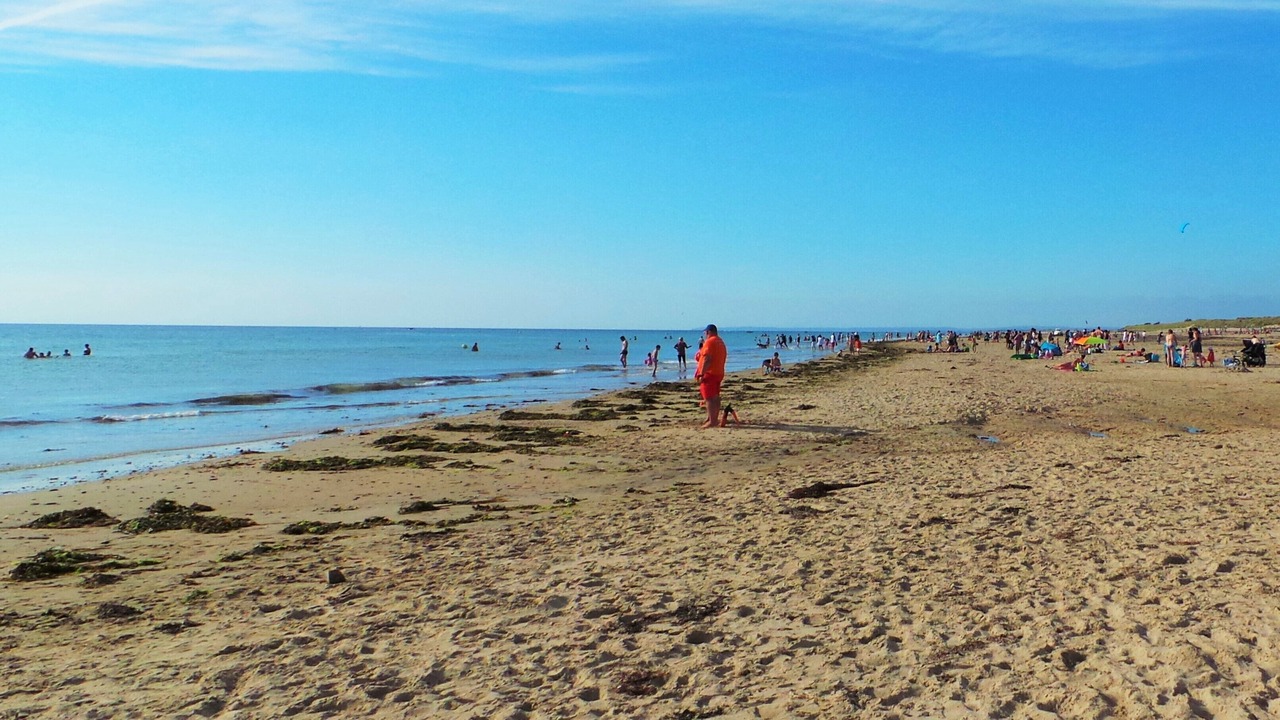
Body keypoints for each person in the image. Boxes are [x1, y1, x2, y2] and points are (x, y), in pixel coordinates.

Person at [694, 324, 727, 429]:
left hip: (710, 373)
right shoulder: (720, 341)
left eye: (705, 333)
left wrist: (701, 373)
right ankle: (712, 417)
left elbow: (708, 359)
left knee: (709, 397)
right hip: (719, 372)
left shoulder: (710, 342)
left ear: (708, 332)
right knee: (715, 396)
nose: (705, 335)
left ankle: (712, 421)